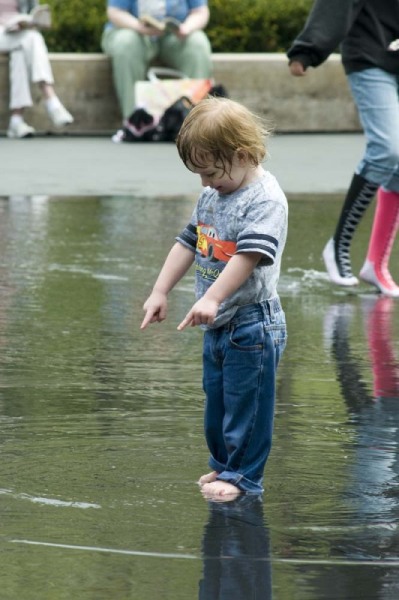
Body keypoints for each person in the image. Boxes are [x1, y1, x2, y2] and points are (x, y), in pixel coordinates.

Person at [140, 96, 288, 499]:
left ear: (240, 155)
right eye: (199, 175)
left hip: (253, 323)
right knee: (217, 405)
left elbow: (248, 256)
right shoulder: (213, 194)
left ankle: (244, 477)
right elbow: (189, 242)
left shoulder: (265, 200)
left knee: (248, 407)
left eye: (210, 172)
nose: (205, 183)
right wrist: (160, 290)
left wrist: (213, 298)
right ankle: (224, 467)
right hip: (220, 323)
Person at [287, 0, 399, 298]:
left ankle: (375, 264)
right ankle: (338, 244)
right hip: (370, 55)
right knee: (387, 150)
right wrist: (307, 49)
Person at [101, 0, 213, 122]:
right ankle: (134, 122)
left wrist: (187, 28)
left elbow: (200, 11)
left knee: (198, 44)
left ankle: (197, 124)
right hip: (134, 32)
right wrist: (139, 27)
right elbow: (115, 12)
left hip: (175, 36)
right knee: (126, 44)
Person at [0, 0, 74, 139]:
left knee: (20, 53)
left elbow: (34, 13)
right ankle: (50, 97)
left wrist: (31, 23)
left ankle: (16, 120)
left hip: (17, 35)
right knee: (33, 38)